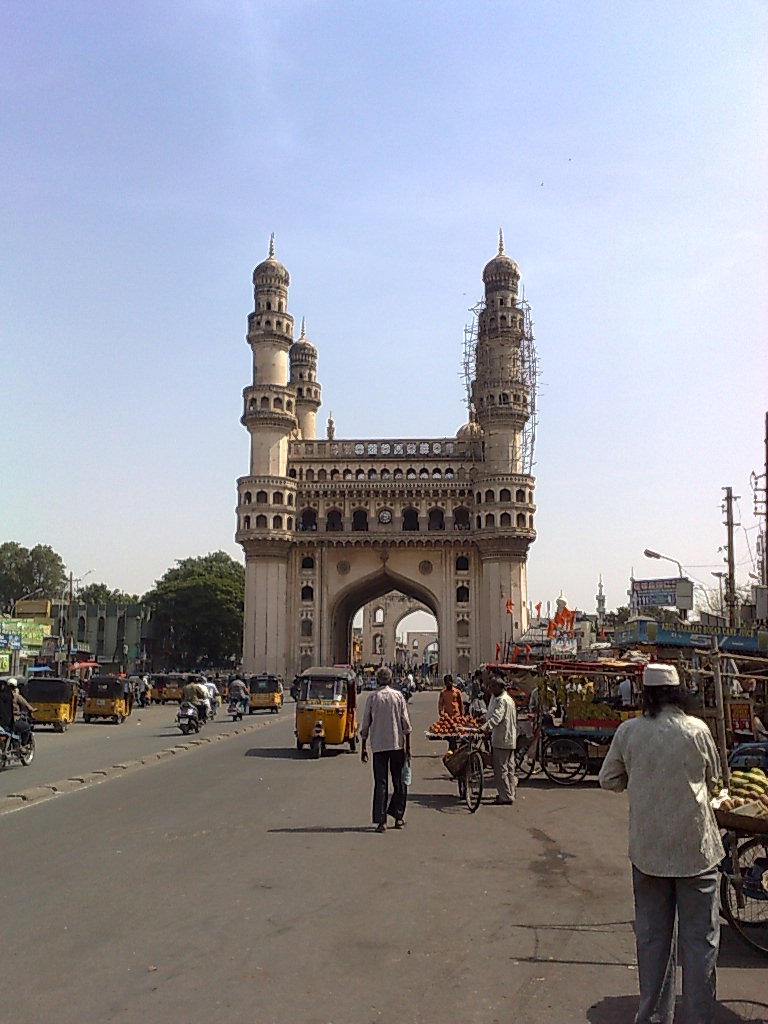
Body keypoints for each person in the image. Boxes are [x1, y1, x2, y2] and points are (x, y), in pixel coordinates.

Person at [598, 663, 722, 1024]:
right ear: (679, 693)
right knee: (700, 945)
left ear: (646, 695)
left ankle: (654, 1017)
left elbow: (608, 779)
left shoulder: (629, 732)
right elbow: (714, 781)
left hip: (648, 852)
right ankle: (698, 1017)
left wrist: (638, 780)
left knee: (653, 942)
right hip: (697, 852)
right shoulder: (697, 731)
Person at [360, 666, 412, 833]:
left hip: (378, 746)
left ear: (377, 680)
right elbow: (406, 724)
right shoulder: (398, 696)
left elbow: (366, 723)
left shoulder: (373, 698)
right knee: (399, 781)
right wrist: (408, 747)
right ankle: (398, 817)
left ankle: (381, 821)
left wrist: (363, 747)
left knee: (380, 783)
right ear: (391, 680)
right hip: (397, 744)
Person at [483, 673, 517, 804]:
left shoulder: (503, 700)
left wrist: (486, 727)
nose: (490, 689)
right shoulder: (504, 699)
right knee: (509, 769)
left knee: (501, 769)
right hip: (509, 738)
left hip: (502, 739)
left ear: (498, 686)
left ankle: (505, 797)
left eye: (492, 686)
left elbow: (497, 717)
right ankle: (510, 793)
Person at [6, 679, 35, 747]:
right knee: (27, 728)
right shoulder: (16, 696)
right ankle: (23, 745)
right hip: (14, 720)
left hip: (3, 721)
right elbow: (27, 705)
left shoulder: (3, 695)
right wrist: (32, 709)